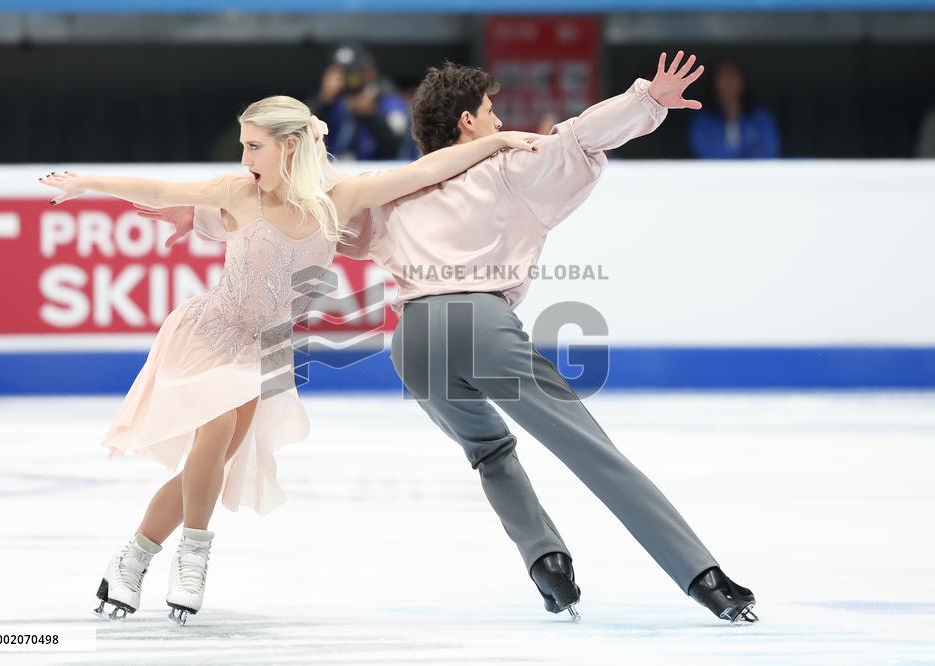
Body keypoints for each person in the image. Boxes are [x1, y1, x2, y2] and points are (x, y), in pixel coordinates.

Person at [158, 51, 758, 623]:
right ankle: (702, 575)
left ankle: (545, 560)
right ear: (469, 122)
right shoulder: (508, 165)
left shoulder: (389, 189)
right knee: (592, 454)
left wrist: (205, 218)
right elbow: (581, 136)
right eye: (493, 113)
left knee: (489, 450)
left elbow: (291, 212)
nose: (504, 122)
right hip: (481, 326)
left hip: (412, 345)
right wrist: (647, 100)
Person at [39, 97, 539, 626]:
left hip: (264, 348)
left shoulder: (337, 201)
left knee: (205, 467)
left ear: (291, 146)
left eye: (254, 146)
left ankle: (132, 558)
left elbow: (425, 170)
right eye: (242, 145)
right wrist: (87, 183)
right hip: (212, 333)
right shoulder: (238, 194)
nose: (244, 157)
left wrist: (499, 141)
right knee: (215, 433)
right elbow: (162, 190)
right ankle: (193, 556)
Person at [307, 44, 418, 161]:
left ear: (370, 71)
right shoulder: (333, 103)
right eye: (342, 73)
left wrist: (371, 115)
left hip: (380, 172)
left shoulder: (388, 101)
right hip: (335, 169)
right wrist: (323, 99)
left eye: (353, 72)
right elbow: (303, 132)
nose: (349, 79)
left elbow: (399, 147)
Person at [688, 59, 780, 159]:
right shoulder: (703, 119)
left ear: (742, 82)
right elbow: (704, 152)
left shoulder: (761, 116)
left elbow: (769, 150)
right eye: (723, 78)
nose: (729, 83)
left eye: (732, 76)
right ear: (714, 83)